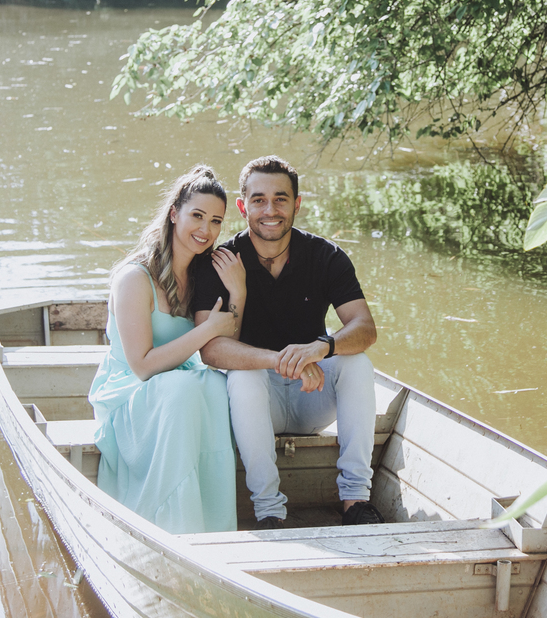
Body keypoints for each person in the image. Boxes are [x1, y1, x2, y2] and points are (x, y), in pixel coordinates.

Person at [191, 155, 381, 529]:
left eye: (281, 199)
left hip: (313, 393)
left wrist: (322, 347)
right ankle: (269, 511)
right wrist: (282, 360)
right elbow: (211, 350)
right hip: (255, 404)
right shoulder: (221, 262)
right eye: (259, 200)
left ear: (297, 204)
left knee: (357, 362)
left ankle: (356, 501)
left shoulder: (326, 256)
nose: (270, 210)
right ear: (243, 207)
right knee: (243, 376)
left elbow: (365, 327)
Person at [88, 165, 246, 534]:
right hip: (129, 393)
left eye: (216, 221)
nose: (206, 230)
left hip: (178, 387)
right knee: (182, 389)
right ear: (174, 213)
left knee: (215, 386)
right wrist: (206, 329)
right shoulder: (134, 278)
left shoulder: (204, 276)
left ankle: (215, 528)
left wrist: (237, 292)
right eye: (197, 216)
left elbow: (225, 345)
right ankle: (172, 526)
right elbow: (142, 366)